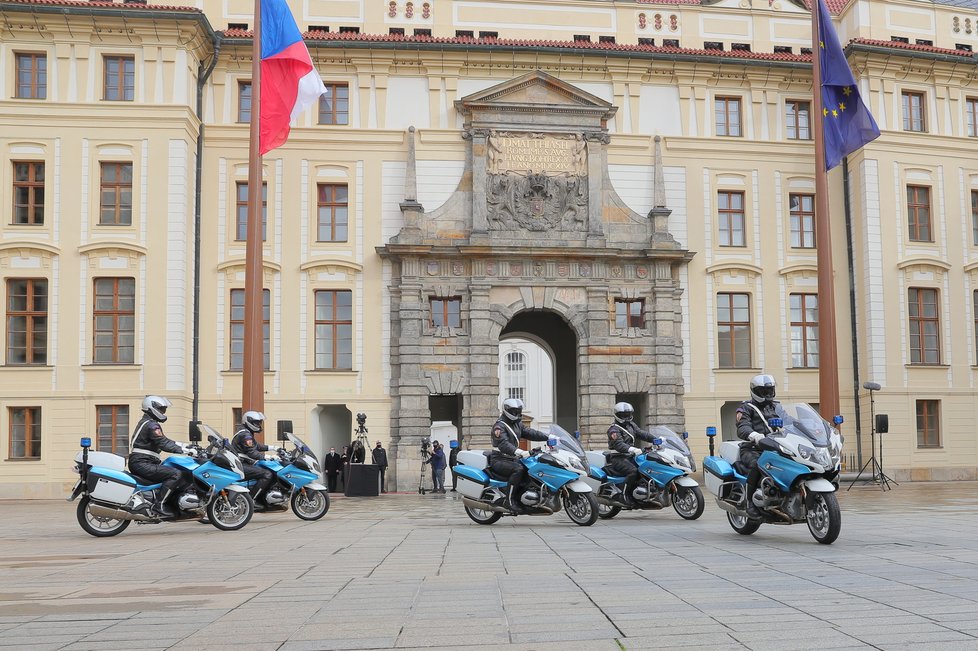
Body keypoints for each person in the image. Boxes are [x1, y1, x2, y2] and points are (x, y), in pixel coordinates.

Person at [127, 395, 195, 517]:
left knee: (175, 470)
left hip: (142, 462)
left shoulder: (148, 423)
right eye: (161, 409)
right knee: (175, 474)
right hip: (142, 463)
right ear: (152, 408)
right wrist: (184, 451)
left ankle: (171, 503)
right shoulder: (152, 425)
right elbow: (163, 443)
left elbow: (165, 440)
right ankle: (160, 505)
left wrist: (186, 446)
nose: (163, 412)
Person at [489, 398, 548, 513]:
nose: (517, 413)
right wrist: (520, 452)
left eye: (518, 410)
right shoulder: (499, 427)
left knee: (532, 468)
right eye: (514, 411)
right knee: (518, 469)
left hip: (512, 458)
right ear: (507, 411)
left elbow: (530, 433)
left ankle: (525, 499)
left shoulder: (517, 424)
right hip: (499, 458)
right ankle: (509, 501)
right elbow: (503, 444)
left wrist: (548, 436)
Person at [736, 374, 780, 520]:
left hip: (776, 447)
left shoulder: (777, 407)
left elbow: (791, 422)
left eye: (770, 390)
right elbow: (742, 427)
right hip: (753, 448)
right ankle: (749, 503)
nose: (768, 394)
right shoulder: (746, 408)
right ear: (755, 391)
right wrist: (754, 435)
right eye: (764, 391)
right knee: (759, 464)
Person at [606, 402, 658, 505]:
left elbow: (642, 434)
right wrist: (632, 449)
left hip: (630, 456)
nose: (626, 417)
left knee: (646, 468)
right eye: (623, 415)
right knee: (633, 471)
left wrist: (656, 439)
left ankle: (645, 494)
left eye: (628, 414)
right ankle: (623, 495)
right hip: (618, 457)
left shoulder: (631, 425)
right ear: (617, 415)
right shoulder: (613, 430)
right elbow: (619, 444)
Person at [229, 411, 281, 510]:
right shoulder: (245, 435)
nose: (258, 425)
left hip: (241, 463)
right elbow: (252, 452)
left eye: (259, 422)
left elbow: (256, 446)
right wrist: (269, 457)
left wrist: (274, 447)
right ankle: (252, 500)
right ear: (249, 422)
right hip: (240, 465)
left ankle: (263, 498)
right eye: (256, 422)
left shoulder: (246, 432)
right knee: (267, 474)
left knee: (265, 469)